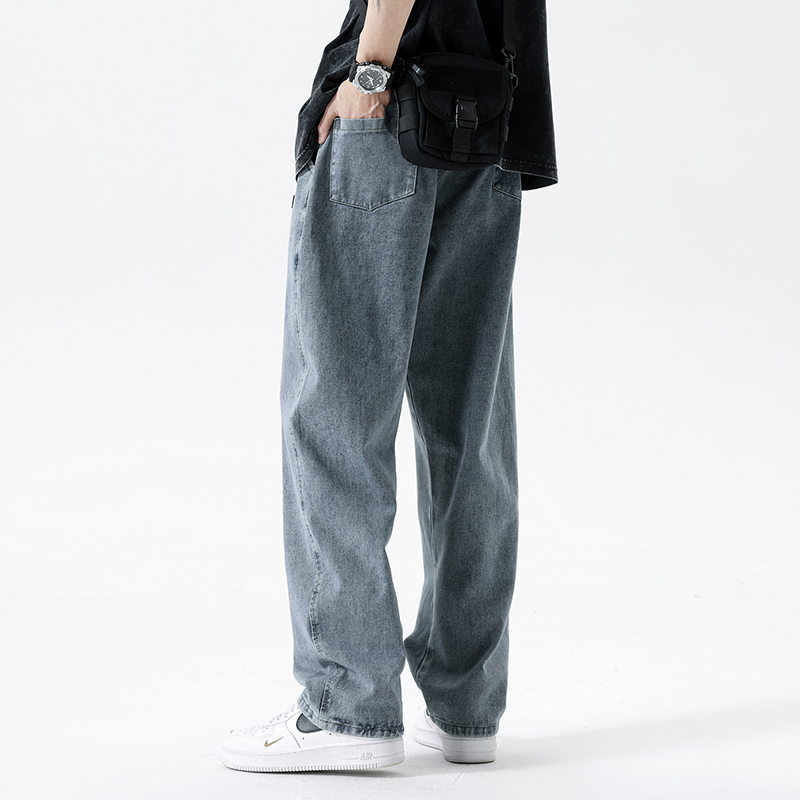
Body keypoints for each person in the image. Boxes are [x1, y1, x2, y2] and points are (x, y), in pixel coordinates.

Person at [220, 0, 557, 772]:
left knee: (336, 418)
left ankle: (349, 700)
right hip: (491, 116)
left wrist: (367, 73)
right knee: (470, 428)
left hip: (391, 105)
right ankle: (466, 703)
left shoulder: (377, 84)